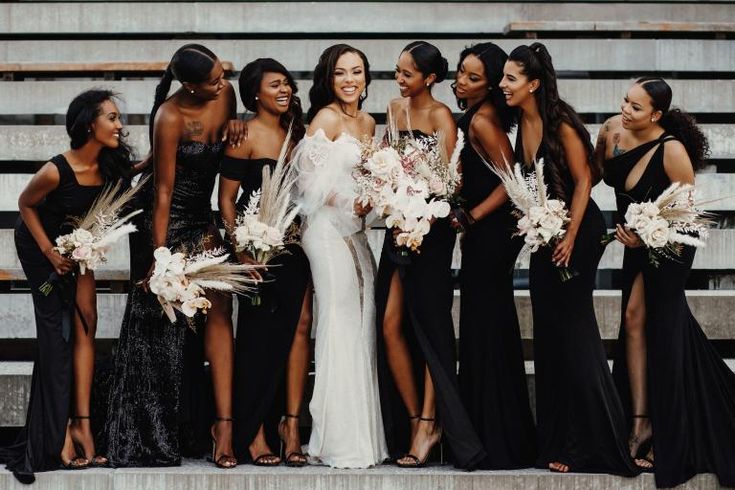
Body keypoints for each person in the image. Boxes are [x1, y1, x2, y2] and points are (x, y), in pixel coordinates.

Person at [500, 42, 638, 476]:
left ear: (533, 84)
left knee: (576, 335)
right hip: (548, 234)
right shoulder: (522, 122)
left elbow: (584, 182)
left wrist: (570, 236)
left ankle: (592, 443)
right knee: (549, 336)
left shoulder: (561, 122)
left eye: (511, 78)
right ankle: (557, 439)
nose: (502, 85)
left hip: (578, 231)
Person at [104, 44, 244, 468]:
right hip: (167, 220)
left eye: (223, 75)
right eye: (214, 80)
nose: (223, 84)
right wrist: (161, 256)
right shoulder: (169, 116)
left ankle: (224, 426)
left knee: (221, 309)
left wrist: (238, 125)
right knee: (163, 325)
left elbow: (227, 153)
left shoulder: (226, 95)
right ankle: (158, 429)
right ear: (188, 85)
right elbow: (162, 191)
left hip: (204, 218)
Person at [599, 77, 735, 488]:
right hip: (634, 241)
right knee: (633, 320)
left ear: (656, 115)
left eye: (636, 107)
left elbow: (686, 216)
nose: (626, 110)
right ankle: (640, 421)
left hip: (669, 245)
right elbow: (589, 171)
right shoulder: (611, 131)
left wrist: (647, 235)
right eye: (626, 100)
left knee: (662, 328)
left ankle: (670, 432)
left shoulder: (672, 150)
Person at [1, 89, 133, 483]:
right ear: (89, 124)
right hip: (41, 247)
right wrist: (48, 253)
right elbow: (25, 205)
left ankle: (83, 424)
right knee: (57, 332)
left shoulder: (109, 165)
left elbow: (128, 185)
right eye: (111, 117)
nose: (119, 124)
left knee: (86, 324)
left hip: (80, 246)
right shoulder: (55, 170)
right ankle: (57, 433)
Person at [375, 41, 484, 469]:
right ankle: (415, 417)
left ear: (429, 79)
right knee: (389, 326)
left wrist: (419, 211)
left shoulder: (441, 116)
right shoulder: (392, 108)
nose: (399, 80)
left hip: (431, 233)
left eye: (407, 74)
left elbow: (448, 181)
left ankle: (429, 423)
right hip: (396, 228)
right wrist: (382, 194)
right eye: (397, 72)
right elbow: (381, 164)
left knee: (430, 327)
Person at [292, 43, 388, 468]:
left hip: (357, 232)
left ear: (367, 78)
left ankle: (364, 438)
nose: (350, 80)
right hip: (327, 231)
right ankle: (333, 439)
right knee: (338, 319)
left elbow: (371, 178)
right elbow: (306, 183)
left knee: (363, 320)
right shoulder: (326, 119)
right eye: (340, 73)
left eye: (357, 72)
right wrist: (352, 204)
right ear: (329, 79)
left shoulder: (368, 122)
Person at [219, 58, 312, 467]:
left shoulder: (300, 133)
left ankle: (290, 425)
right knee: (256, 336)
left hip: (295, 246)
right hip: (255, 247)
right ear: (255, 93)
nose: (284, 90)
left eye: (287, 83)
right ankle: (253, 430)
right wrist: (241, 248)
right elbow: (226, 200)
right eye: (274, 85)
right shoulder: (245, 134)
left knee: (300, 326)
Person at [451, 42, 536, 470]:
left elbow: (512, 181)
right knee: (484, 327)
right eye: (461, 73)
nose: (461, 82)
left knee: (489, 327)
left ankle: (500, 440)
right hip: (484, 234)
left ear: (488, 87)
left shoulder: (483, 121)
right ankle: (490, 433)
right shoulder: (475, 115)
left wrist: (470, 218)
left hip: (492, 234)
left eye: (473, 78)